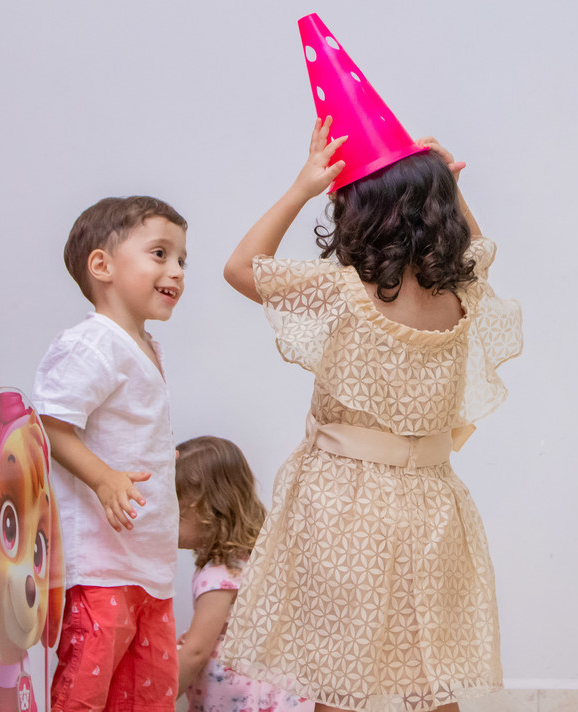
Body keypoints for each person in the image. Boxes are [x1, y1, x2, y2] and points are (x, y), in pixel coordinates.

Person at [219, 117, 523, 712]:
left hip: (342, 506)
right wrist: (450, 183)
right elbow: (480, 251)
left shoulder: (343, 292)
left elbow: (240, 268)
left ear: (360, 214)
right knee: (432, 672)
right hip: (434, 505)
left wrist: (302, 184)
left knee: (341, 675)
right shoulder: (461, 293)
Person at [33, 195, 188, 712]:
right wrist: (102, 478)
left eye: (182, 260)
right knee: (86, 693)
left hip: (146, 564)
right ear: (102, 265)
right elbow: (50, 426)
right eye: (160, 254)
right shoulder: (94, 342)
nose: (177, 271)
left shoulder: (144, 345)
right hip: (101, 567)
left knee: (148, 693)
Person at [174, 436, 312, 712]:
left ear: (208, 511)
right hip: (278, 690)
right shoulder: (256, 558)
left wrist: (158, 699)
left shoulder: (217, 576)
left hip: (240, 700)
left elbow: (197, 652)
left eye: (175, 514)